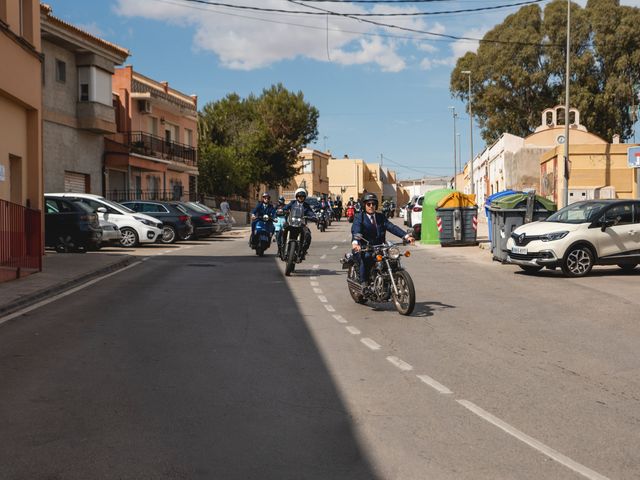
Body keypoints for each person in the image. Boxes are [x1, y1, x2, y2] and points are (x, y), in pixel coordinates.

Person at [351, 192, 414, 287]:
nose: (371, 206)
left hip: (380, 247)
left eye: (373, 204)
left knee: (393, 259)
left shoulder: (381, 217)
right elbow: (356, 230)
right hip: (365, 247)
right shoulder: (360, 217)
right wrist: (356, 243)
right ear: (364, 205)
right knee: (366, 258)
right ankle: (364, 282)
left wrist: (406, 236)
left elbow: (392, 227)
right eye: (369, 204)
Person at [283, 187, 315, 259]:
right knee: (281, 231)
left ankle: (303, 251)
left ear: (304, 197)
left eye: (302, 196)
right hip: (291, 223)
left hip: (301, 224)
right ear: (296, 196)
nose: (301, 198)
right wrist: (282, 210)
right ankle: (281, 247)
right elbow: (285, 208)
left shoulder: (306, 205)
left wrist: (313, 217)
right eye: (299, 196)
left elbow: (311, 212)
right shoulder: (292, 203)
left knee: (308, 235)